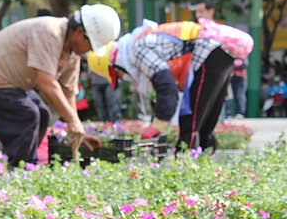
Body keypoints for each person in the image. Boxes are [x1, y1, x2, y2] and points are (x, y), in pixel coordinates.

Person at [0, 4, 121, 166]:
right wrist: (72, 121)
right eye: (92, 45)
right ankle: (21, 168)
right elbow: (47, 83)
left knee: (43, 115)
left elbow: (68, 92)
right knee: (27, 115)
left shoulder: (72, 51)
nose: (90, 51)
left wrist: (77, 128)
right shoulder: (49, 33)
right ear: (80, 33)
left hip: (11, 83)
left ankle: (21, 163)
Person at [88, 19, 253, 152]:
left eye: (118, 74)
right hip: (219, 52)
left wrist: (157, 126)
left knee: (191, 119)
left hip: (209, 49)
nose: (123, 77)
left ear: (115, 64)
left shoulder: (137, 51)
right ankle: (204, 160)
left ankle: (186, 165)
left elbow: (167, 89)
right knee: (205, 119)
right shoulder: (139, 43)